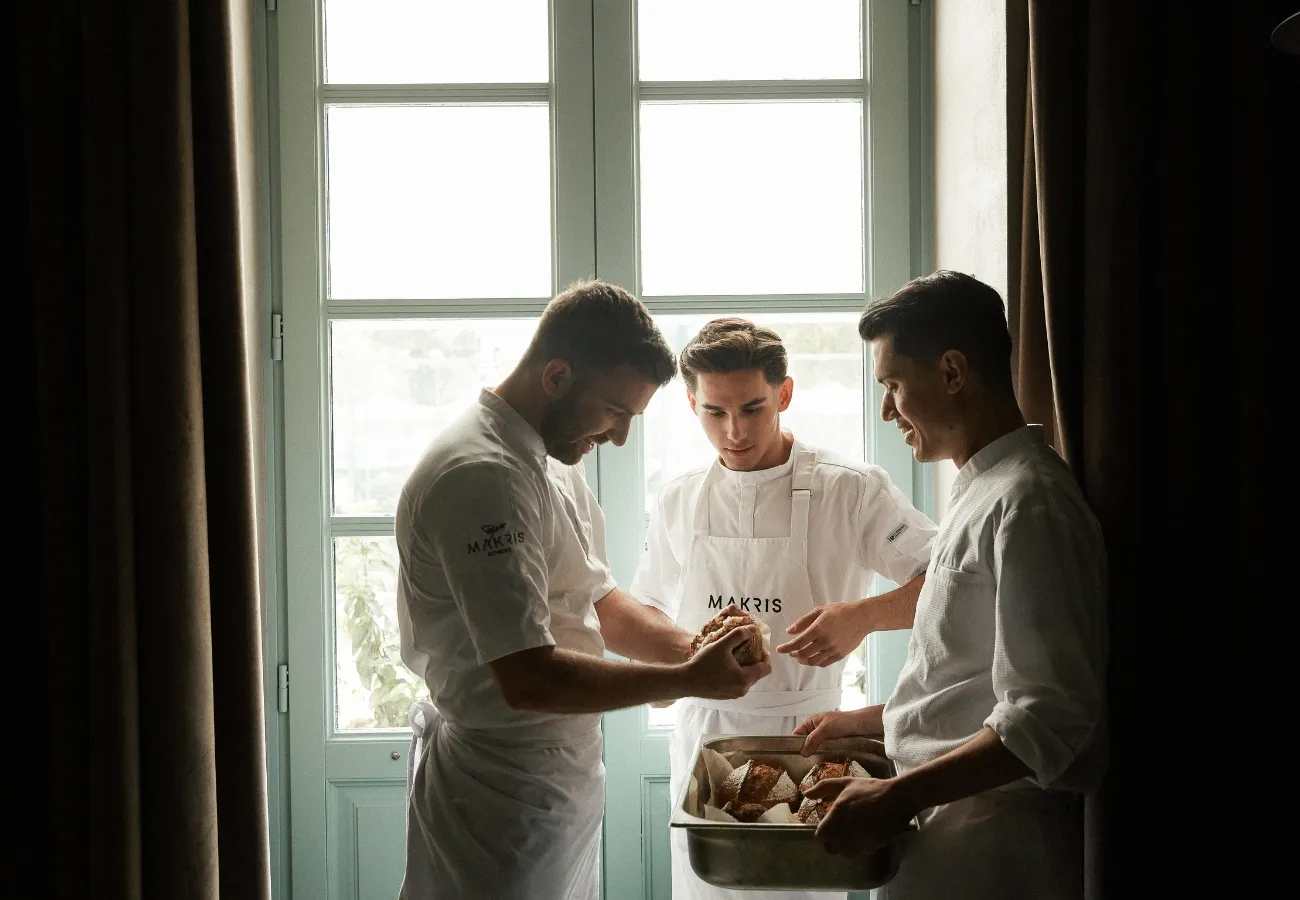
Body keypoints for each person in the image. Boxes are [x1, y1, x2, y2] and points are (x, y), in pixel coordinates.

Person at [395, 282, 772, 900]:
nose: (619, 437)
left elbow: (597, 601)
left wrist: (697, 648)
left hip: (559, 777)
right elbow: (528, 677)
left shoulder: (551, 458)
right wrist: (685, 679)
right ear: (557, 376)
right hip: (495, 789)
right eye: (615, 411)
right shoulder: (481, 476)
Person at [794, 271, 1108, 900]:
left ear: (952, 372)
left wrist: (896, 795)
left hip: (995, 849)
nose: (886, 410)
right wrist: (874, 721)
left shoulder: (1030, 504)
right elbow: (970, 685)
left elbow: (1047, 717)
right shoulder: (981, 490)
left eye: (893, 385)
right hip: (945, 832)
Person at [630, 318, 938, 900]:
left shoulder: (851, 489)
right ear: (691, 403)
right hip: (704, 742)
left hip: (809, 741)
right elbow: (648, 604)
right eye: (714, 412)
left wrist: (865, 616)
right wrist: (665, 671)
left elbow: (950, 580)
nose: (735, 431)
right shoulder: (677, 499)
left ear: (785, 393)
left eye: (753, 408)